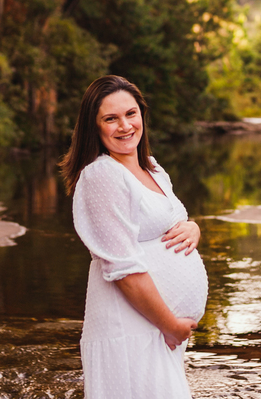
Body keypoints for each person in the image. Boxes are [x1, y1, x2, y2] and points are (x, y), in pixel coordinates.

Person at [60, 75, 208, 399]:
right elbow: (124, 270)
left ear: (142, 114)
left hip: (151, 327)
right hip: (129, 325)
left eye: (130, 114)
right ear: (94, 127)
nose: (124, 126)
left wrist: (194, 228)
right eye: (110, 119)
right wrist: (170, 325)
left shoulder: (152, 168)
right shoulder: (102, 174)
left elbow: (172, 224)